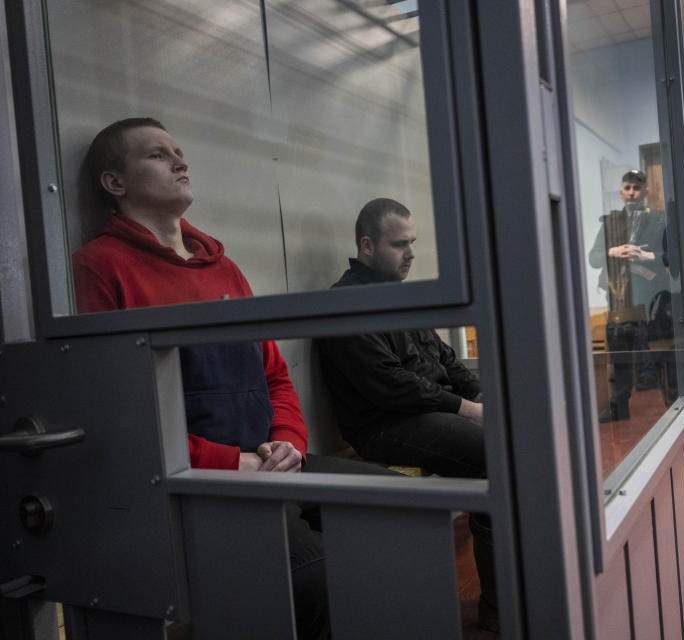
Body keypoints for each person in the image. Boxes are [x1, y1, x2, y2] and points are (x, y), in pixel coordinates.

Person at [72, 117, 349, 639]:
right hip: (192, 479)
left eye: (179, 152)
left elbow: (275, 375)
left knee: (393, 501)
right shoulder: (100, 266)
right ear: (115, 183)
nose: (180, 162)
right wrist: (230, 462)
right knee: (316, 575)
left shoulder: (225, 269)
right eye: (157, 155)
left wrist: (288, 442)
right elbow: (120, 412)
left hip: (268, 460)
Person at [315, 198, 498, 632]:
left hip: (425, 414)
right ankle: (501, 605)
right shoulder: (343, 304)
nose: (412, 253)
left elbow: (447, 360)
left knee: (510, 441)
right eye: (400, 244)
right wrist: (472, 410)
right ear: (366, 246)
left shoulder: (401, 296)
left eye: (412, 242)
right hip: (384, 425)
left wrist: (482, 395)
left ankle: (506, 594)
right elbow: (391, 385)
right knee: (495, 453)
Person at [588, 170, 669, 421]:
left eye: (637, 187)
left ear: (645, 191)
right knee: (619, 353)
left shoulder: (660, 219)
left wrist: (649, 257)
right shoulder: (610, 222)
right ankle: (618, 407)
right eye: (627, 187)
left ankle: (671, 409)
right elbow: (593, 258)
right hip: (619, 297)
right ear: (621, 192)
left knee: (658, 356)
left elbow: (675, 255)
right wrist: (614, 251)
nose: (632, 192)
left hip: (652, 298)